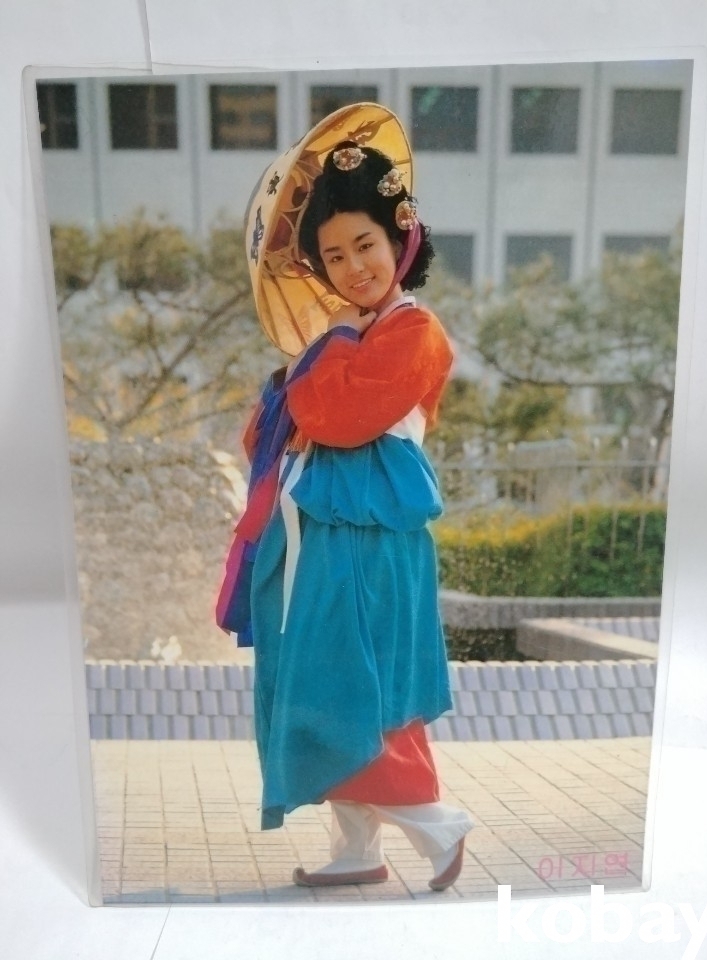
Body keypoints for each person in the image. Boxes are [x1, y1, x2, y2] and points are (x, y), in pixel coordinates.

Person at [216, 103, 474, 891]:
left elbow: (335, 416)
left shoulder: (412, 331)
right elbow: (270, 430)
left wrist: (315, 363)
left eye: (365, 243)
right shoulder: (350, 333)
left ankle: (437, 826)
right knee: (323, 674)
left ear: (400, 239)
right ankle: (359, 847)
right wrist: (311, 367)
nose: (353, 265)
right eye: (333, 255)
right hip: (331, 536)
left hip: (367, 540)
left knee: (353, 683)